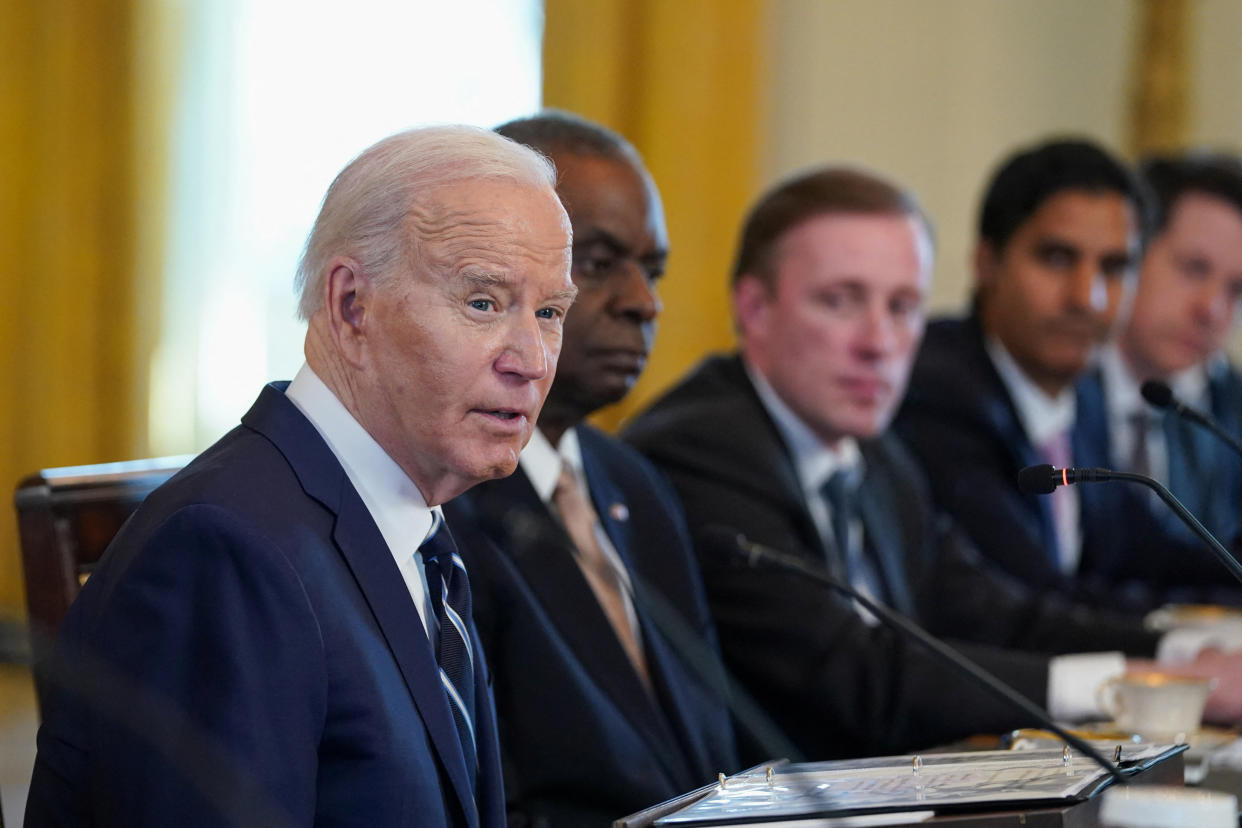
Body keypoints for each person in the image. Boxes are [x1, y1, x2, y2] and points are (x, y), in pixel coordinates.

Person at [25, 126, 576, 828]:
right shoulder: (223, 552)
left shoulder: (415, 524)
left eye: (551, 312)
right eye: (483, 302)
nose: (530, 358)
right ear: (352, 307)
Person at [623, 165, 1242, 764]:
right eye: (841, 302)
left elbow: (995, 614)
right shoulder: (702, 449)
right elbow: (859, 677)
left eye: (902, 307)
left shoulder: (874, 456)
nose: (878, 343)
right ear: (754, 309)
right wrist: (1136, 683)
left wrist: (1192, 654)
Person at [442, 111, 737, 827]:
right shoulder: (447, 499)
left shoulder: (633, 481)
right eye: (600, 264)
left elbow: (706, 754)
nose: (645, 301)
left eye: (653, 269)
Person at [1090, 153, 1242, 600]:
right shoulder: (1055, 381)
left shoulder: (1226, 404)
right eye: (1194, 269)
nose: (1212, 310)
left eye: (1237, 289)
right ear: (1130, 255)